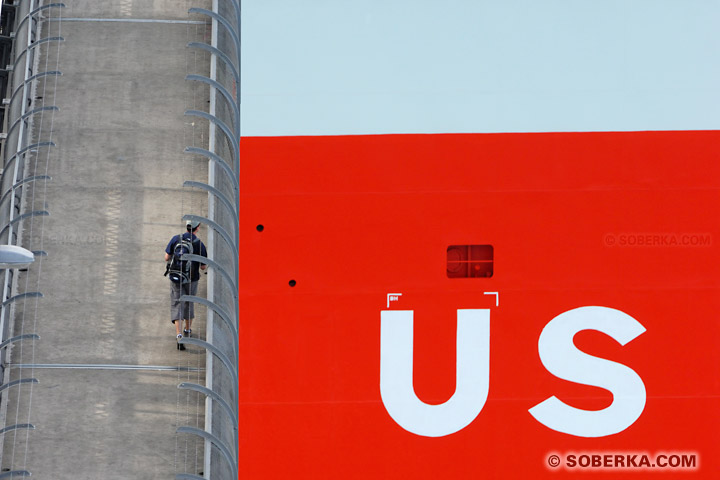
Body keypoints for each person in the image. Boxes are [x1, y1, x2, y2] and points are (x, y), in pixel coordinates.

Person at [165, 220, 207, 350]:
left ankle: (178, 334)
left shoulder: (176, 239)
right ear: (197, 228)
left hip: (176, 278)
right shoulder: (199, 244)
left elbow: (167, 257)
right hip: (191, 279)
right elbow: (203, 266)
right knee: (189, 302)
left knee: (177, 303)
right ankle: (187, 330)